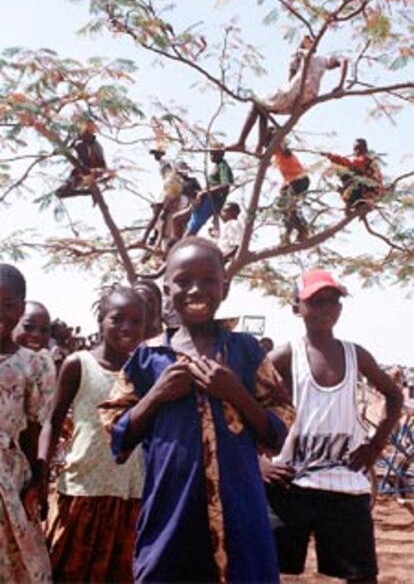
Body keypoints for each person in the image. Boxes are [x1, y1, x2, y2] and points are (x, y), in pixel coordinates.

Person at [99, 237, 295, 584]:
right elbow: (115, 427)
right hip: (170, 512)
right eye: (184, 280)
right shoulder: (148, 357)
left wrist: (235, 392)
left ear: (225, 286)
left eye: (208, 280)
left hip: (241, 512)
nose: (196, 289)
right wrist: (156, 396)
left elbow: (278, 425)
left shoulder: (245, 350)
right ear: (167, 286)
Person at [262, 268, 403, 584]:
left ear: (340, 308)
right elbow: (239, 404)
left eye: (332, 301)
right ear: (296, 306)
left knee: (362, 575)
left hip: (344, 485)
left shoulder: (356, 355)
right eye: (315, 301)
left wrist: (375, 445)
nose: (325, 308)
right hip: (288, 486)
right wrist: (259, 463)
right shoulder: (285, 355)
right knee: (267, 571)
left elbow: (393, 396)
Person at [39, 285, 147, 584]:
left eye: (136, 321)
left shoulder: (147, 370)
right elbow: (53, 420)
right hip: (82, 490)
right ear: (101, 319)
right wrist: (42, 468)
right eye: (117, 318)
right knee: (70, 570)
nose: (127, 327)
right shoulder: (79, 364)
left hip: (130, 492)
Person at [0, 263, 55, 583]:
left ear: (20, 308)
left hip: (10, 475)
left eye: (8, 306)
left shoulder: (34, 363)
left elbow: (38, 426)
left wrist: (38, 480)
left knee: (20, 559)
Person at [227, 36, 347, 155]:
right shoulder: (320, 60)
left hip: (293, 94)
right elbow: (342, 61)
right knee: (262, 108)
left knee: (257, 104)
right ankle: (258, 147)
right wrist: (340, 85)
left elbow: (341, 60)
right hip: (305, 98)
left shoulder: (310, 56)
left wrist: (340, 85)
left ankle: (242, 143)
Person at [323, 138, 384, 213]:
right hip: (369, 193)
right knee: (348, 175)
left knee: (345, 172)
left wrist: (332, 157)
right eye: (355, 149)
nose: (356, 151)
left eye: (358, 148)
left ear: (364, 148)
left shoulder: (365, 158)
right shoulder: (368, 160)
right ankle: (354, 202)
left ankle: (352, 202)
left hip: (368, 191)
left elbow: (350, 165)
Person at [184, 147, 234, 236]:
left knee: (193, 227)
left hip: (211, 201)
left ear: (222, 154)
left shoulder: (223, 166)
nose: (212, 156)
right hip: (206, 200)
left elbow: (225, 185)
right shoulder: (217, 166)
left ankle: (183, 245)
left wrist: (205, 192)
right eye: (211, 153)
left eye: (215, 153)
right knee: (189, 224)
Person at [271, 138, 310, 243]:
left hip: (299, 181)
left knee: (288, 208)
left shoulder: (282, 151)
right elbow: (288, 173)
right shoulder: (277, 155)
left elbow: (281, 144)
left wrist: (277, 137)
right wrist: (284, 186)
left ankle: (302, 231)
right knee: (285, 208)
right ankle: (289, 235)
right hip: (294, 182)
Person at [55, 122, 108, 199]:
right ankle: (88, 191)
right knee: (59, 193)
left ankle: (89, 189)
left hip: (92, 171)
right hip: (83, 172)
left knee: (62, 191)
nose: (80, 135)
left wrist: (91, 171)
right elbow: (68, 148)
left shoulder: (94, 145)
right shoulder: (80, 143)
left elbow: (101, 165)